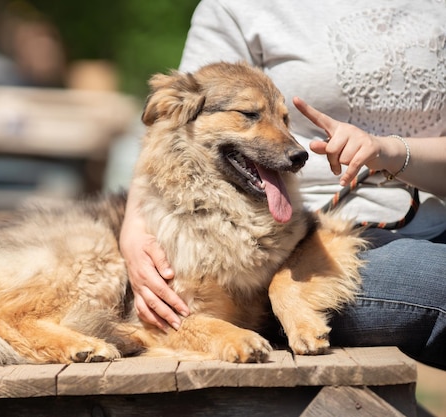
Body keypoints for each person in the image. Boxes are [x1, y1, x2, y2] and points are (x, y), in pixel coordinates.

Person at [119, 0, 446, 369]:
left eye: (284, 120)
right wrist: (133, 229)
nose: (291, 143)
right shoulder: (238, 8)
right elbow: (170, 122)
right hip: (322, 238)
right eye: (250, 115)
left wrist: (388, 150)